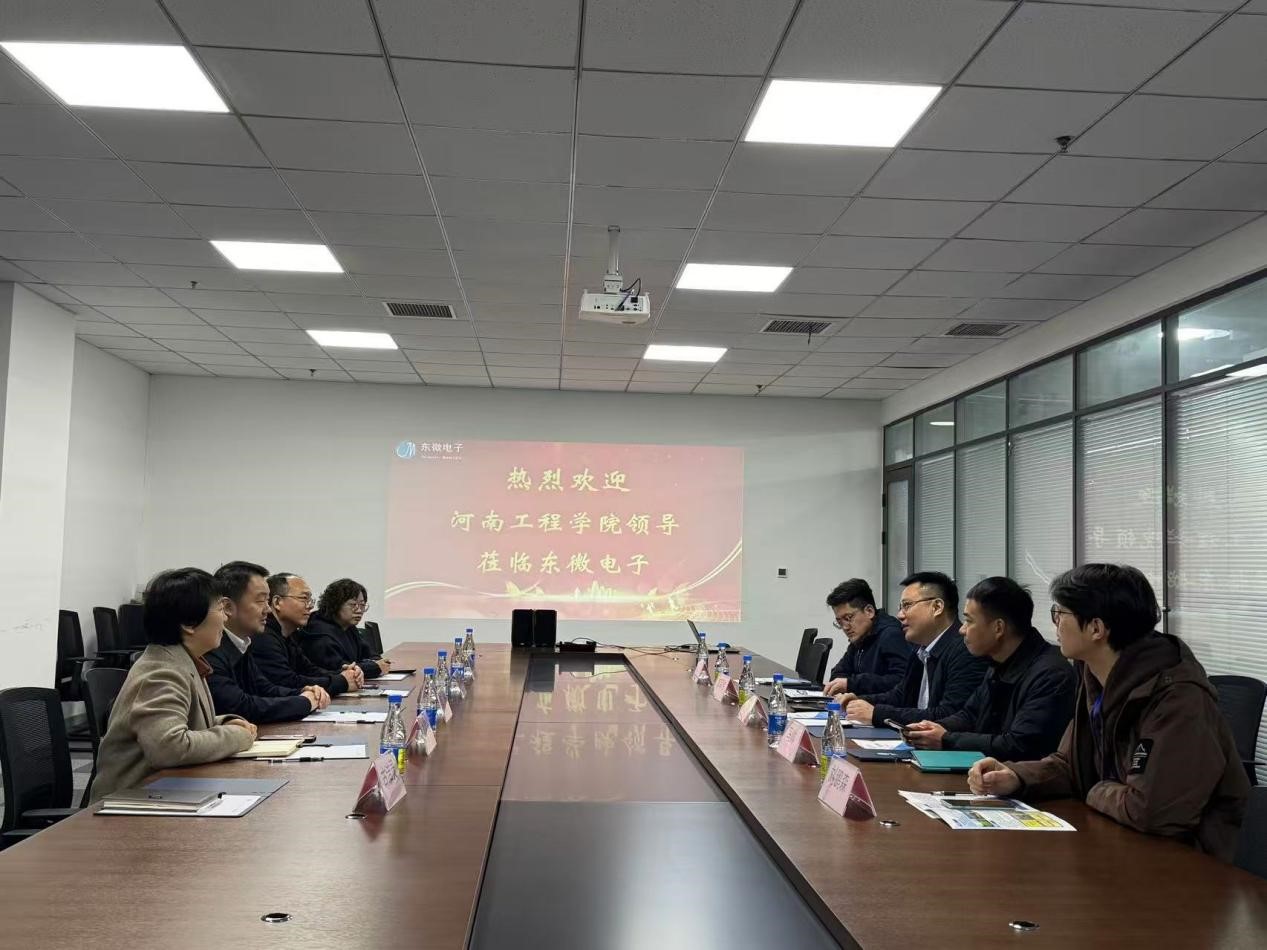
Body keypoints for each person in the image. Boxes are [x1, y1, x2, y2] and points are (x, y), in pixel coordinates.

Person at [969, 564, 1249, 862]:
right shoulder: (1096, 678)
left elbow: (1151, 811)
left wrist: (1095, 788)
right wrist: (1016, 776)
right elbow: (1070, 764)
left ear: (1096, 628)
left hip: (1194, 863)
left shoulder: (1178, 698)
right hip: (1125, 845)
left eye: (1060, 613)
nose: (1055, 624)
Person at [90, 568, 256, 802]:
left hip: (163, 793)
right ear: (189, 623)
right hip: (132, 804)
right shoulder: (162, 672)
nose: (226, 618)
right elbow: (169, 748)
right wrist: (236, 737)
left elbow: (177, 725)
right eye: (220, 609)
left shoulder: (183, 661)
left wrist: (224, 721)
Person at [904, 576, 1076, 760]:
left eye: (969, 621)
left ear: (998, 628)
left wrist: (946, 739)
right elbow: (970, 715)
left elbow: (1020, 745)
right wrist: (932, 729)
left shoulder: (1051, 675)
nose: (962, 629)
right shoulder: (999, 662)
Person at [839, 571, 988, 727]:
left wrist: (877, 714)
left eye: (907, 606)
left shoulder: (965, 650)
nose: (900, 615)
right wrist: (859, 701)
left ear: (937, 607)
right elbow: (900, 695)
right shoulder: (920, 648)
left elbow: (948, 715)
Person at [206, 561, 326, 724]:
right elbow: (240, 707)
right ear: (227, 607)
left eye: (267, 600)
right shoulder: (211, 648)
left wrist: (302, 692)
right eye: (260, 601)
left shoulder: (242, 642)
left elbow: (264, 688)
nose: (268, 609)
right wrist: (304, 702)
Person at [254, 572, 363, 696]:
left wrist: (343, 674)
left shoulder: (290, 634)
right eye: (304, 599)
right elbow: (287, 681)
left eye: (310, 600)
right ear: (277, 602)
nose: (310, 606)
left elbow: (309, 670)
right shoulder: (263, 637)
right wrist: (341, 681)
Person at [822, 578, 913, 697]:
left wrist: (852, 684)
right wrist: (845, 684)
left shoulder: (891, 635)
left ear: (869, 611)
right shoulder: (860, 637)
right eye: (839, 622)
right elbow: (838, 673)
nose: (845, 627)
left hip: (886, 706)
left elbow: (903, 680)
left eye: (848, 618)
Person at [301, 578, 392, 680]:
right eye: (353, 605)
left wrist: (379, 663)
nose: (359, 610)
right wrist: (375, 667)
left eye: (362, 605)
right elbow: (340, 669)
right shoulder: (318, 632)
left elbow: (370, 654)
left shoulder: (348, 626)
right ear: (335, 604)